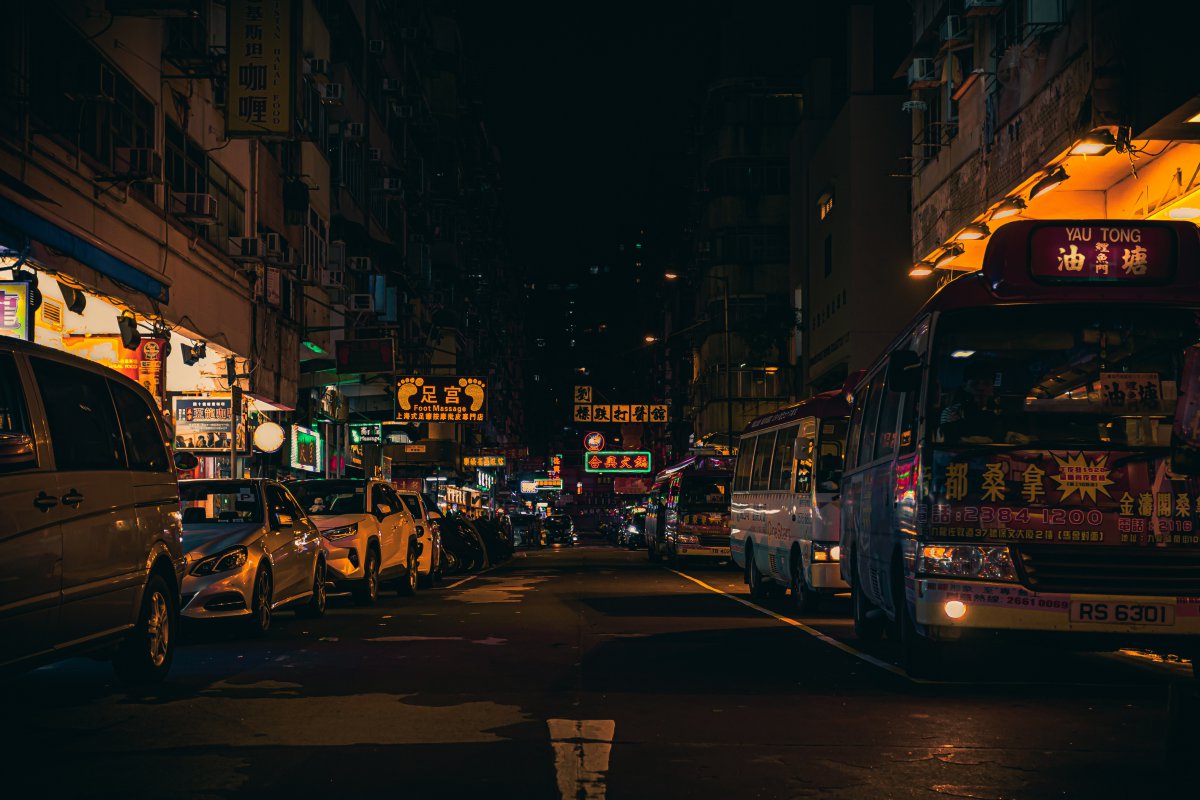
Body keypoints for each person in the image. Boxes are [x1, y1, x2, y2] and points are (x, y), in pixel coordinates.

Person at [939, 360, 1004, 444]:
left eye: (986, 383)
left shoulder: (1000, 412)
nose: (981, 388)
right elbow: (949, 440)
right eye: (975, 384)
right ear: (965, 386)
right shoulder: (952, 411)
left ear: (992, 388)